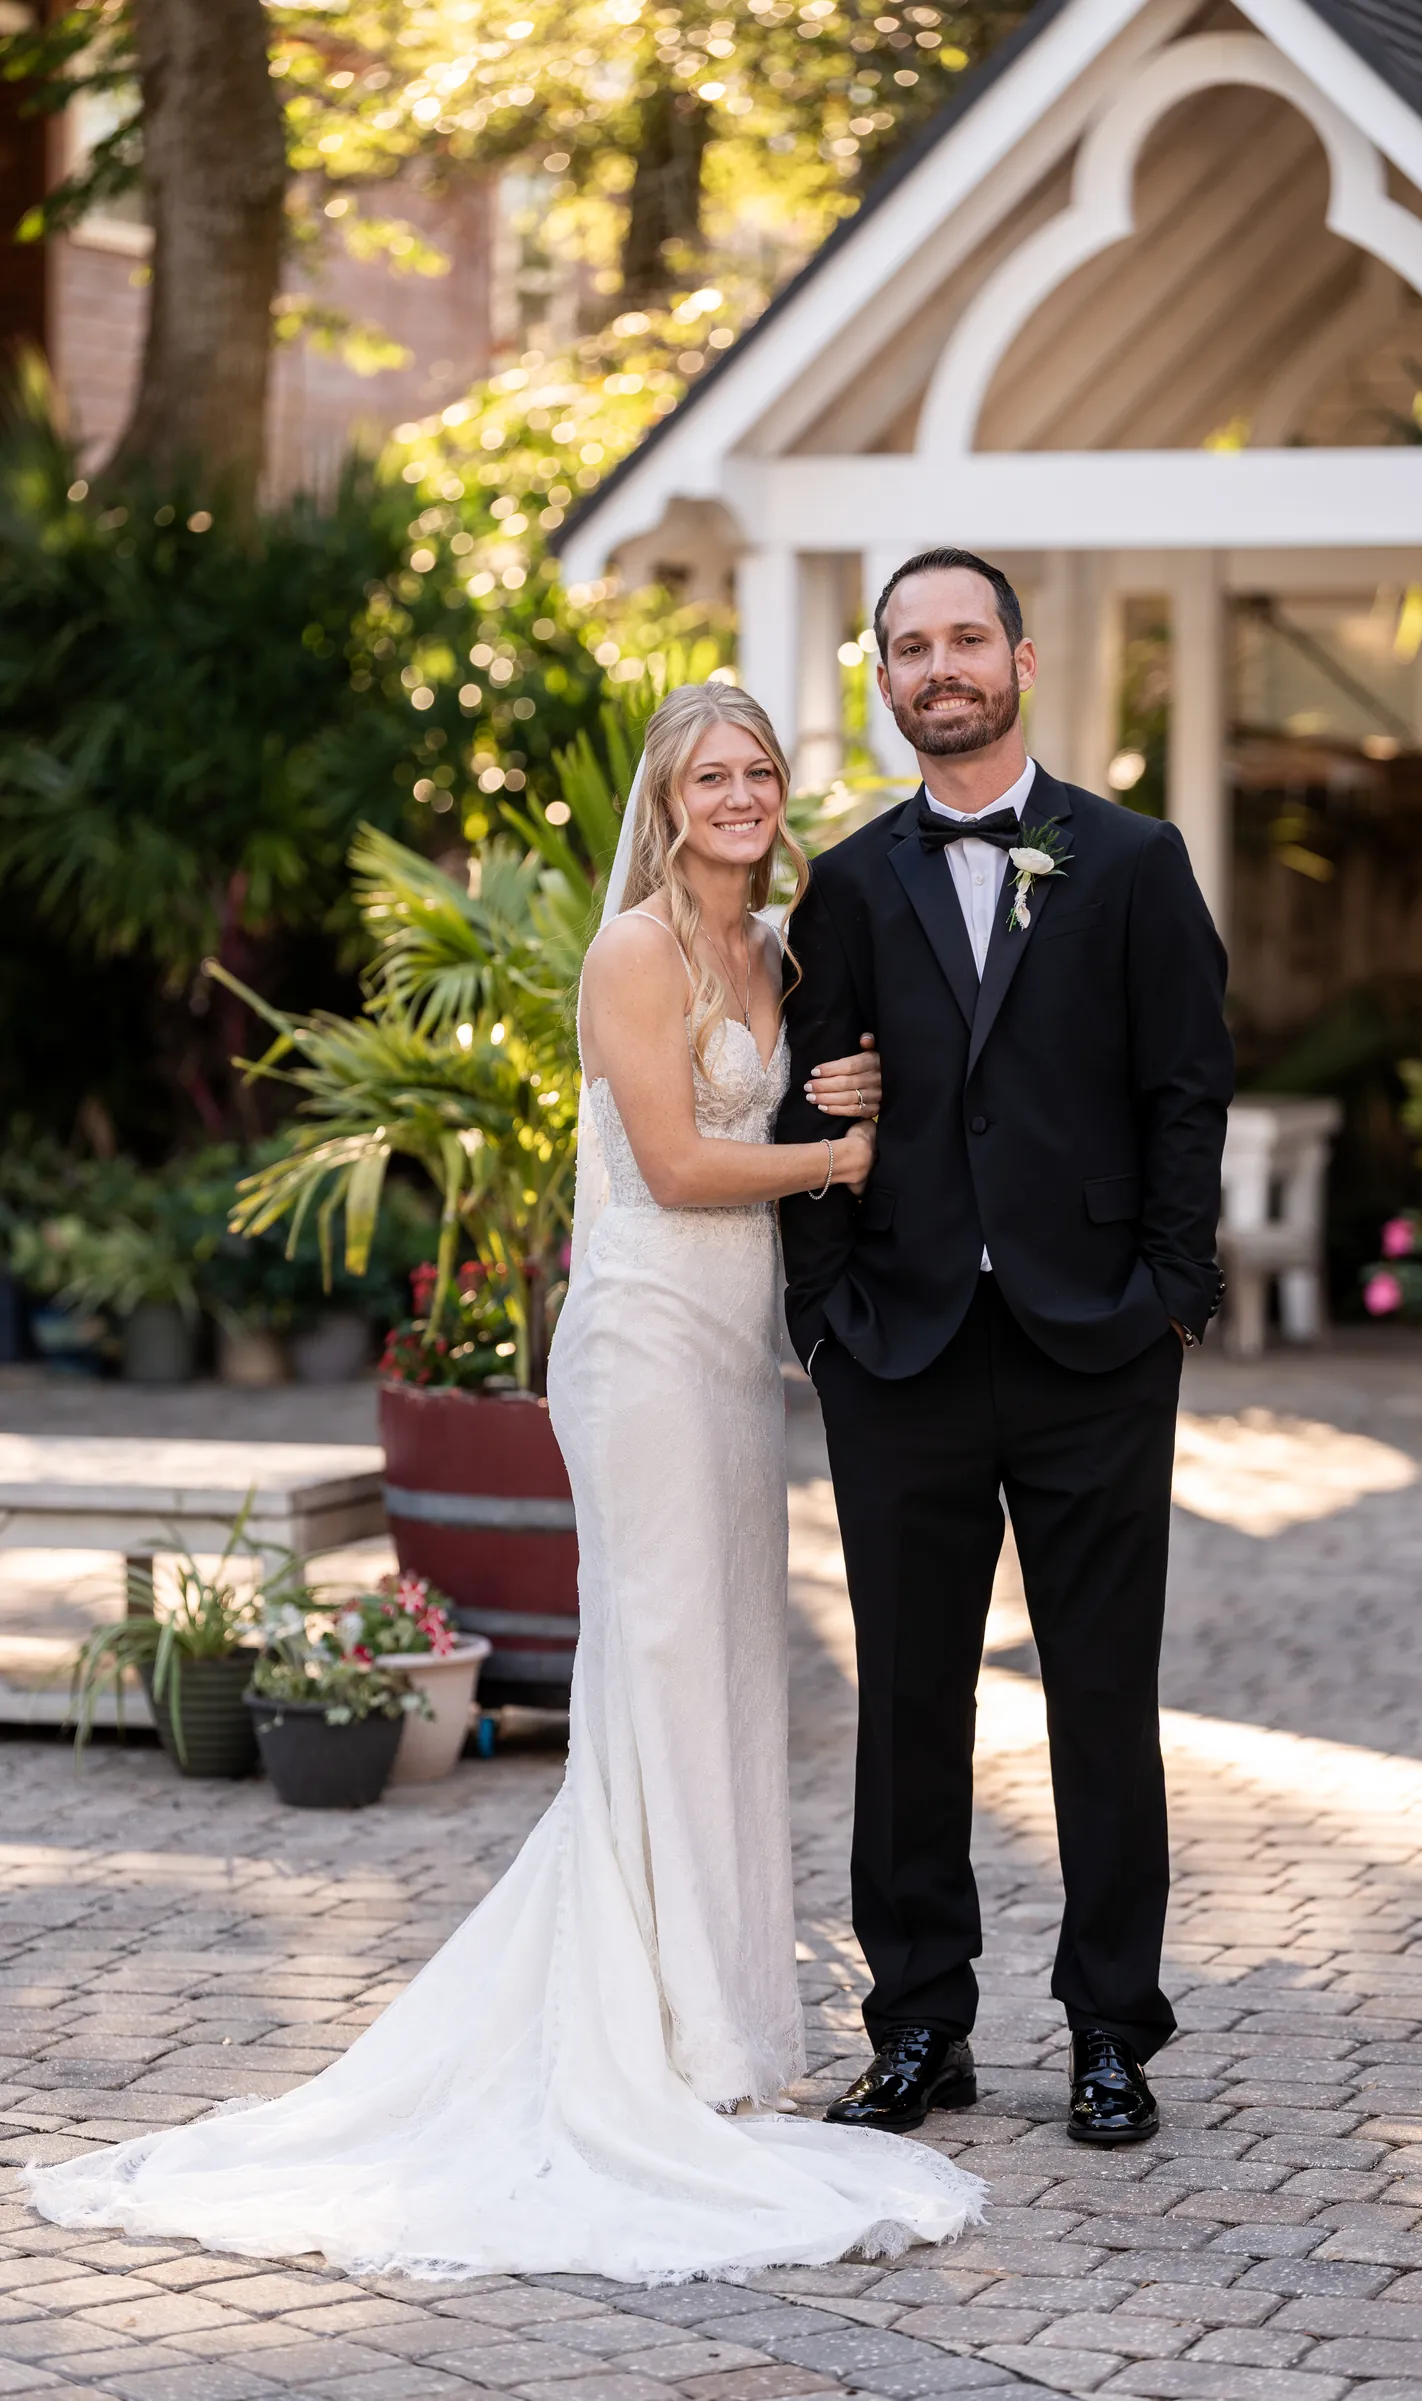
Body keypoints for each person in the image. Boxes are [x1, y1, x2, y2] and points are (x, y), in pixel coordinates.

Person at [25, 682, 980, 2283]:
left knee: (727, 1673)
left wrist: (844, 1104)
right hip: (644, 1340)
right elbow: (678, 1166)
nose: (739, 796)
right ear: (668, 802)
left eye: (757, 771)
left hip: (735, 1359)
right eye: (709, 776)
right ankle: (643, 2037)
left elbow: (790, 1099)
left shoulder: (782, 948)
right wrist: (840, 1157)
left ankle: (718, 2028)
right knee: (658, 1664)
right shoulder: (636, 952)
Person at [777, 549, 1233, 2148]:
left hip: (1096, 1344)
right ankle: (918, 2028)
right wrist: (821, 1318)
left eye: (967, 638)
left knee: (1103, 1701)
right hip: (897, 1350)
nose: (941, 666)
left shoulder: (1129, 858)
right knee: (906, 1705)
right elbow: (809, 1096)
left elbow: (1190, 1084)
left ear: (1022, 662)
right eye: (912, 647)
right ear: (886, 678)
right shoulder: (840, 884)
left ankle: (1113, 2033)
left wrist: (1175, 1294)